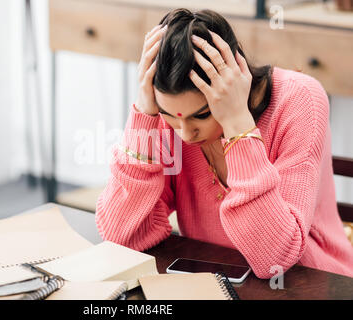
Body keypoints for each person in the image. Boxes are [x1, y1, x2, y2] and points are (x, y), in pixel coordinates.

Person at [95, 8, 353, 279]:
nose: (185, 134)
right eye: (169, 115)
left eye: (203, 114)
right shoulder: (166, 115)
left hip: (310, 281)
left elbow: (274, 258)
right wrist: (144, 114)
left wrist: (237, 123)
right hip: (214, 279)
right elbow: (121, 236)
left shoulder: (300, 99)